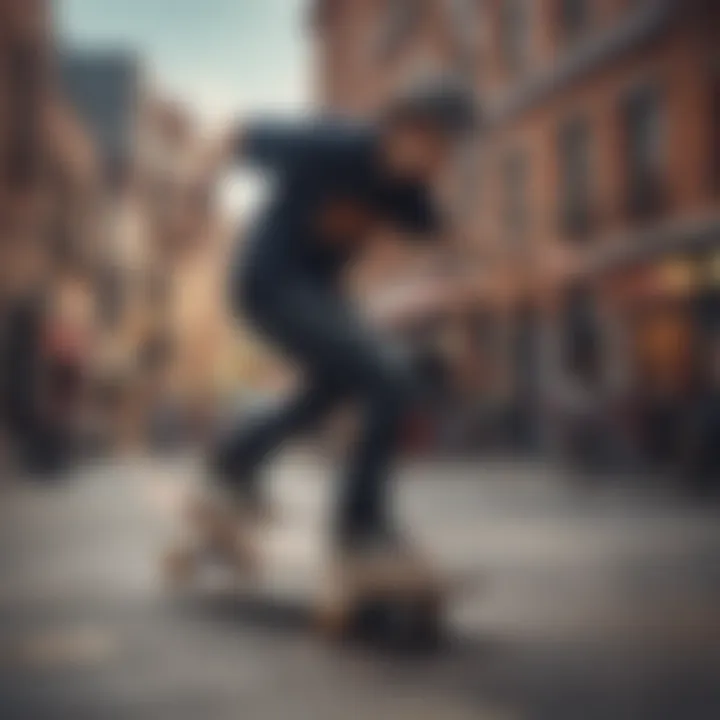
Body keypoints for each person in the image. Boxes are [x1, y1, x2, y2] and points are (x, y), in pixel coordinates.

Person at [198, 75, 478, 564]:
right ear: (405, 129)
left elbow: (459, 240)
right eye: (437, 146)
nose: (441, 164)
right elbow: (236, 133)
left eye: (449, 152)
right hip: (267, 282)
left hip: (316, 295)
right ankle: (361, 525)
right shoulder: (335, 146)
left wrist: (540, 260)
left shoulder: (409, 193)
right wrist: (193, 195)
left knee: (337, 386)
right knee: (387, 377)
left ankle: (237, 457)